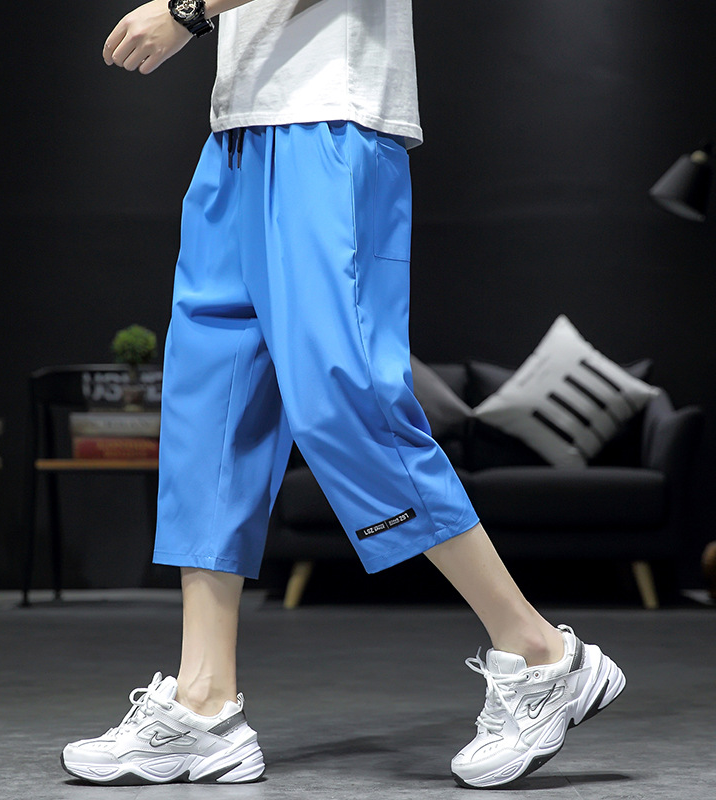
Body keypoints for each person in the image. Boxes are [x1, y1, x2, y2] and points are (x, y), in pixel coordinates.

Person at [61, 0, 625, 789]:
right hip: (239, 131)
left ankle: (541, 654)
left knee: (345, 400)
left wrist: (188, 10)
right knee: (209, 416)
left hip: (329, 120)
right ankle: (203, 703)